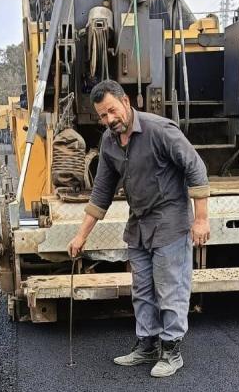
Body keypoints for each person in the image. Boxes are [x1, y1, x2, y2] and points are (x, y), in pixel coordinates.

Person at [68, 79, 210, 378]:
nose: (108, 120)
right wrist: (81, 235)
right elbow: (101, 192)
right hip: (139, 225)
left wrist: (200, 219)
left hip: (170, 221)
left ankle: (171, 351)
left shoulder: (160, 130)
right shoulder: (108, 142)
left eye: (111, 111)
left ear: (126, 102)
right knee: (142, 290)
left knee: (170, 288)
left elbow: (196, 168)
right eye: (102, 116)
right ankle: (146, 346)